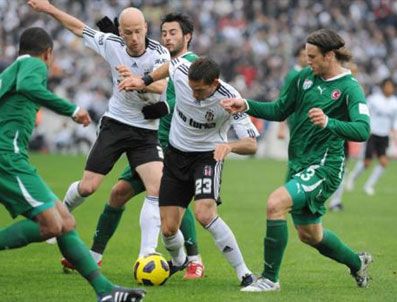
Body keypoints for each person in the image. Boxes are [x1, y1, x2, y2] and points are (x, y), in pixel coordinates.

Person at [220, 29, 373, 292]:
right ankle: (356, 262)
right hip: (298, 163)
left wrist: (329, 122)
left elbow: (363, 129)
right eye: (306, 56)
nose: (307, 61)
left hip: (325, 166)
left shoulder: (349, 88)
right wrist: (246, 104)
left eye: (313, 57)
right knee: (310, 235)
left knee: (275, 203)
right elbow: (280, 109)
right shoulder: (304, 77)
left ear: (330, 55)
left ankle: (269, 279)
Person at [0, 27, 145, 302]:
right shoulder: (33, 64)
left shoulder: (10, 71)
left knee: (65, 221)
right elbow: (29, 87)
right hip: (7, 157)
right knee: (51, 226)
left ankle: (105, 291)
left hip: (12, 157)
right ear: (48, 54)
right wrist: (72, 109)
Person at [63, 12, 207, 280]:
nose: (167, 37)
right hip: (145, 137)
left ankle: (192, 260)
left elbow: (188, 100)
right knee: (118, 193)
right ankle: (94, 256)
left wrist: (162, 106)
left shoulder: (188, 65)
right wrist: (121, 42)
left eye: (174, 33)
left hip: (173, 144)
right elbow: (141, 72)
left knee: (170, 198)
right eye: (164, 33)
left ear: (187, 37)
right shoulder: (160, 59)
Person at [28, 0, 169, 259]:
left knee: (157, 187)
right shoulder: (111, 44)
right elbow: (78, 27)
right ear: (120, 31)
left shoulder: (159, 54)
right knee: (88, 187)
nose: (134, 38)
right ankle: (59, 217)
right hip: (115, 124)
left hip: (145, 131)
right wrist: (49, 8)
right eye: (128, 32)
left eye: (139, 31)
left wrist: (139, 82)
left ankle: (147, 255)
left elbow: (162, 87)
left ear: (146, 27)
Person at [118, 57, 258, 287]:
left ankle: (244, 274)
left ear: (214, 83)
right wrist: (144, 80)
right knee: (169, 229)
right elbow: (169, 66)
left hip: (207, 158)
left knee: (204, 214)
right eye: (191, 89)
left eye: (200, 90)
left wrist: (230, 146)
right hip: (175, 156)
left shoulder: (231, 98)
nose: (194, 95)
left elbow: (251, 144)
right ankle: (179, 260)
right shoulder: (182, 71)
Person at [346, 78, 397, 196]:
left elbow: (395, 121)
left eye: (391, 86)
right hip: (372, 133)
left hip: (384, 135)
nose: (389, 88)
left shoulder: (395, 102)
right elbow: (364, 112)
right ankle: (352, 178)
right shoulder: (374, 99)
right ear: (383, 86)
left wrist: (394, 133)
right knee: (367, 162)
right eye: (387, 86)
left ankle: (369, 185)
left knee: (383, 161)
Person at [277, 44, 308, 140]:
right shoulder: (293, 75)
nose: (307, 58)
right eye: (304, 55)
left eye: (309, 55)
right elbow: (283, 98)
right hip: (296, 117)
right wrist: (281, 126)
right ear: (298, 57)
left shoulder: (311, 72)